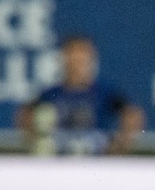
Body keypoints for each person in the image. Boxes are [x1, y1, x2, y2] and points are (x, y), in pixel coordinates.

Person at [15, 35, 145, 156]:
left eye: (81, 59)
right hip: (59, 162)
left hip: (96, 162)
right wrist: (37, 143)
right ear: (63, 60)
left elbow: (133, 114)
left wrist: (119, 146)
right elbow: (24, 114)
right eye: (72, 58)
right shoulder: (52, 94)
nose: (76, 65)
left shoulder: (104, 92)